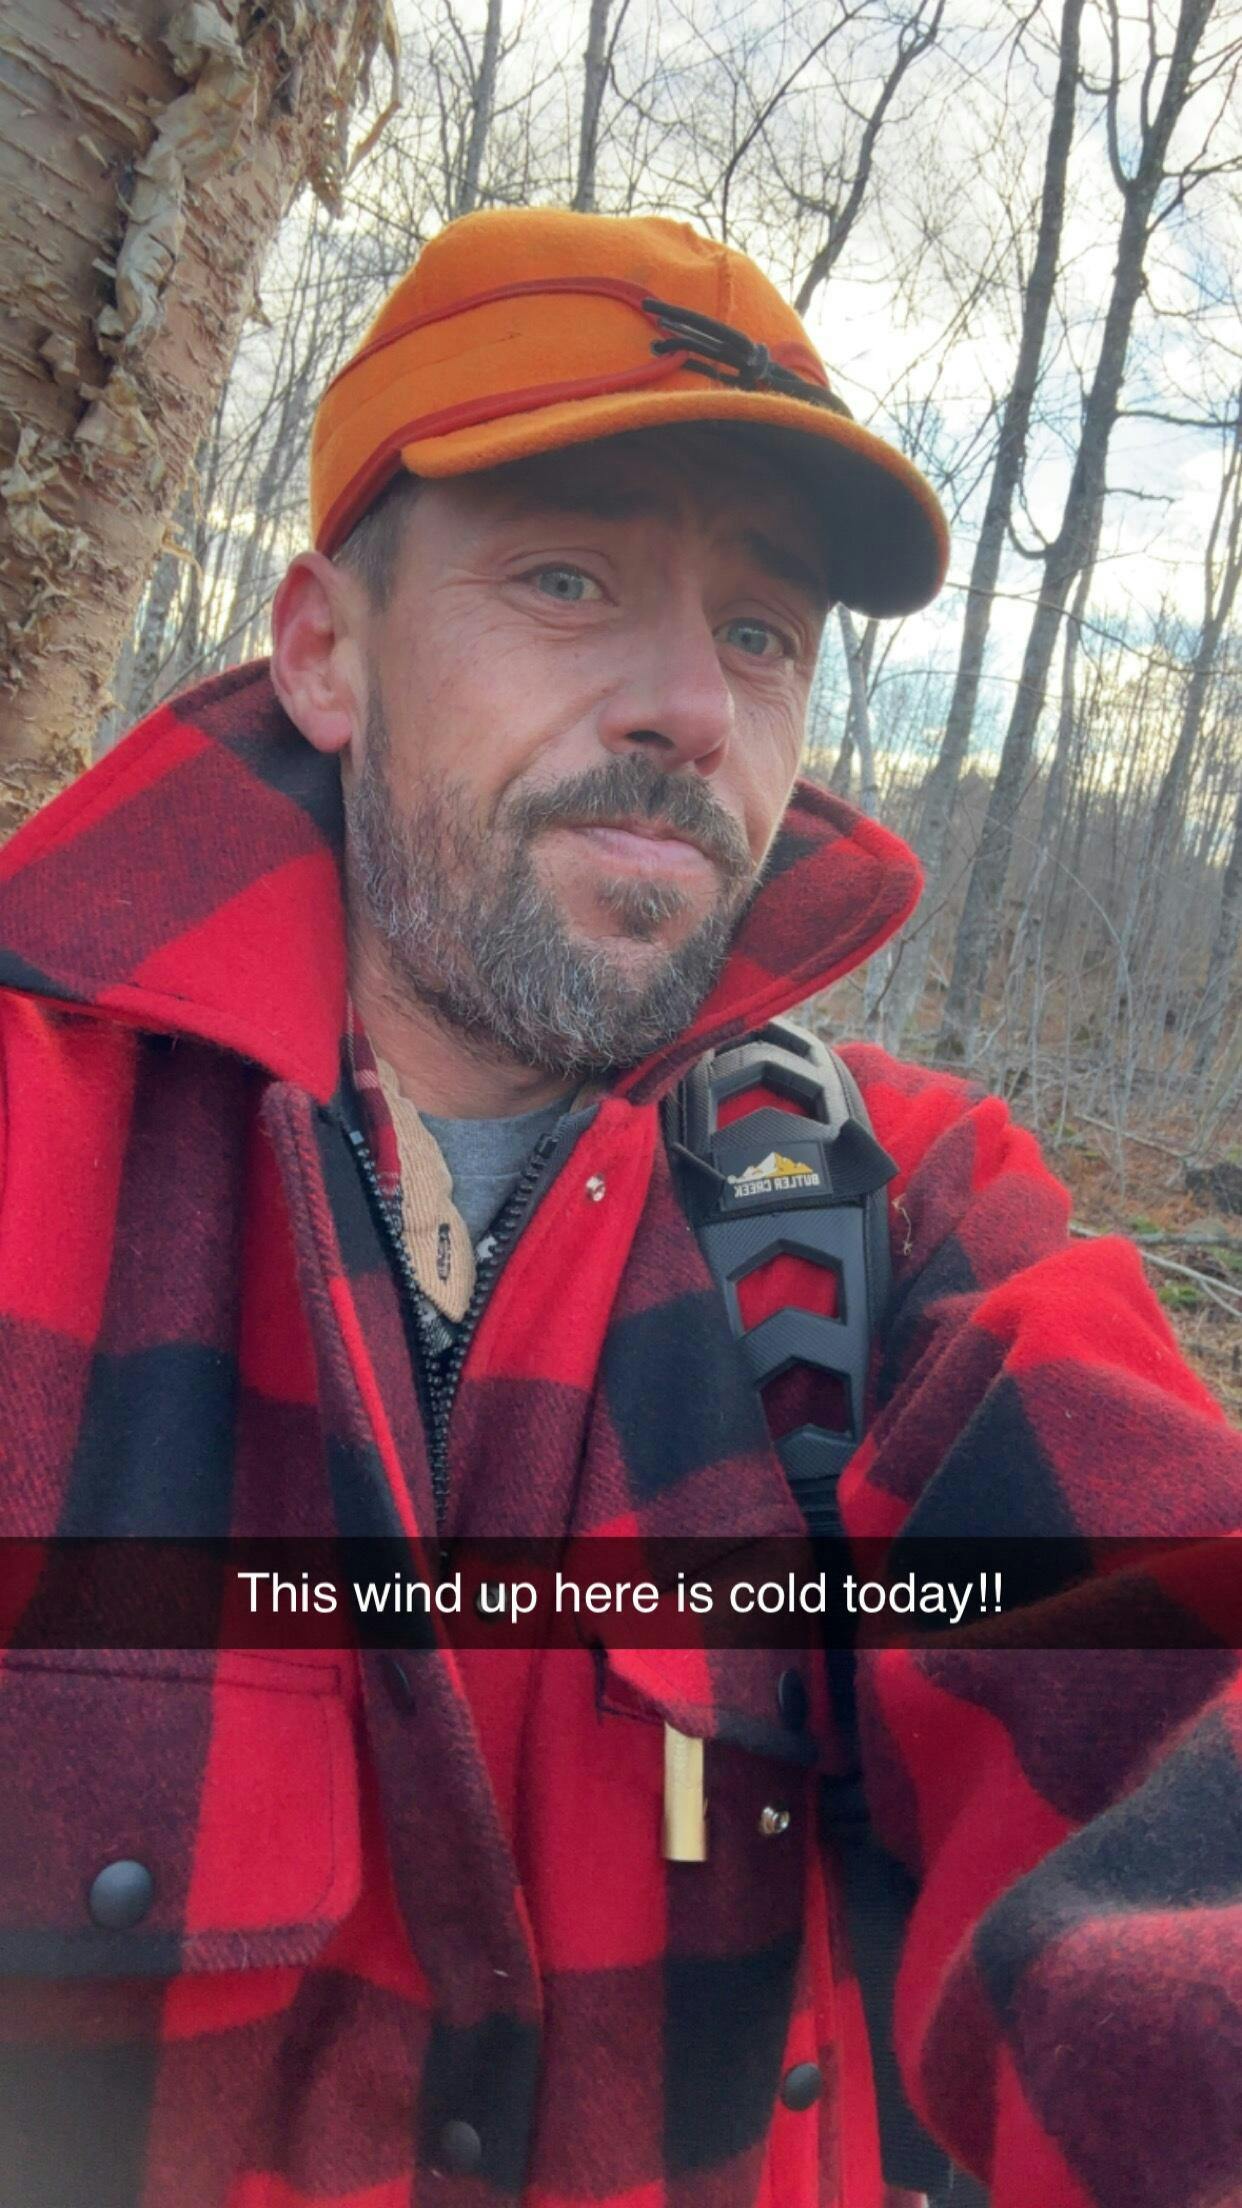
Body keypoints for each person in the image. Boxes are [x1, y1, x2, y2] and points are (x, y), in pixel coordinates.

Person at [0, 206, 1237, 2208]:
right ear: (324, 650)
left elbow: (1171, 1681)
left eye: (760, 633)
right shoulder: (29, 1163)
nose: (691, 707)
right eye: (568, 580)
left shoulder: (893, 1218)